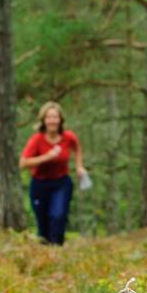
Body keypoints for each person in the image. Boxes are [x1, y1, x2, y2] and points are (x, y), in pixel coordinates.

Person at [19, 101, 88, 245]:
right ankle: (45, 254)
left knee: (58, 216)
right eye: (49, 117)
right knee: (43, 223)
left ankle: (57, 250)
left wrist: (79, 166)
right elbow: (23, 163)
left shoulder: (68, 137)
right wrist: (47, 157)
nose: (52, 121)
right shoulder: (36, 140)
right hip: (40, 185)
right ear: (43, 120)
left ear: (60, 119)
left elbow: (77, 148)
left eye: (55, 117)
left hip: (61, 183)